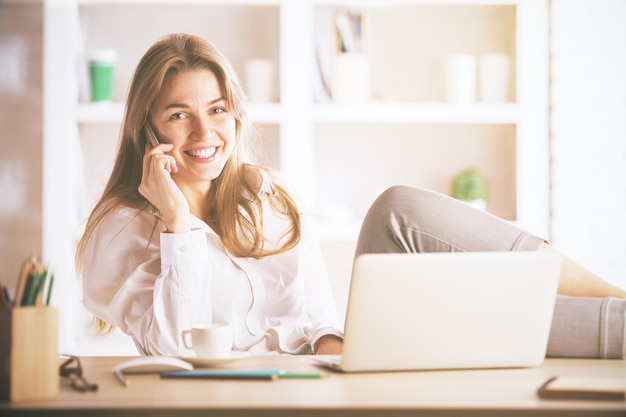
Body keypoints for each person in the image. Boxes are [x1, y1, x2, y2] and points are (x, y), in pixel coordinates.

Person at [76, 33, 626, 359]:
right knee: (469, 306)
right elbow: (179, 351)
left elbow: (317, 314)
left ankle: (617, 305)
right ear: (145, 130)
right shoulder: (121, 230)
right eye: (179, 115)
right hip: (240, 398)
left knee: (405, 222)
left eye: (217, 109)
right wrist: (177, 225)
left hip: (326, 379)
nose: (204, 132)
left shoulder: (262, 194)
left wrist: (334, 347)